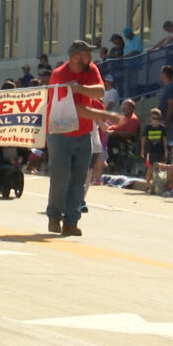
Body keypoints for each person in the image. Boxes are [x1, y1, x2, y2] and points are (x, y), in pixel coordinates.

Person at [45, 40, 108, 236]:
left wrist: (80, 89)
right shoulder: (60, 75)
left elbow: (100, 91)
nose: (90, 58)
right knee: (61, 176)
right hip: (60, 133)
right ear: (75, 57)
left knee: (79, 177)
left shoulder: (91, 70)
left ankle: (71, 221)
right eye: (86, 54)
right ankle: (54, 216)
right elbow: (69, 106)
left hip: (83, 132)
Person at [143, 108, 169, 193]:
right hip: (150, 151)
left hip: (160, 150)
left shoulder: (162, 128)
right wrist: (142, 149)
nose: (156, 121)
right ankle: (148, 186)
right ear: (151, 118)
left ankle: (158, 186)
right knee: (150, 168)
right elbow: (143, 139)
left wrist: (166, 151)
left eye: (158, 119)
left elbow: (164, 140)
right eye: (154, 118)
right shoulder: (148, 127)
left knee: (160, 168)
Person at [157, 65, 173, 142]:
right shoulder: (165, 88)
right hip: (163, 120)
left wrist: (167, 121)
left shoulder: (172, 88)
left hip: (170, 122)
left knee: (170, 142)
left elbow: (171, 105)